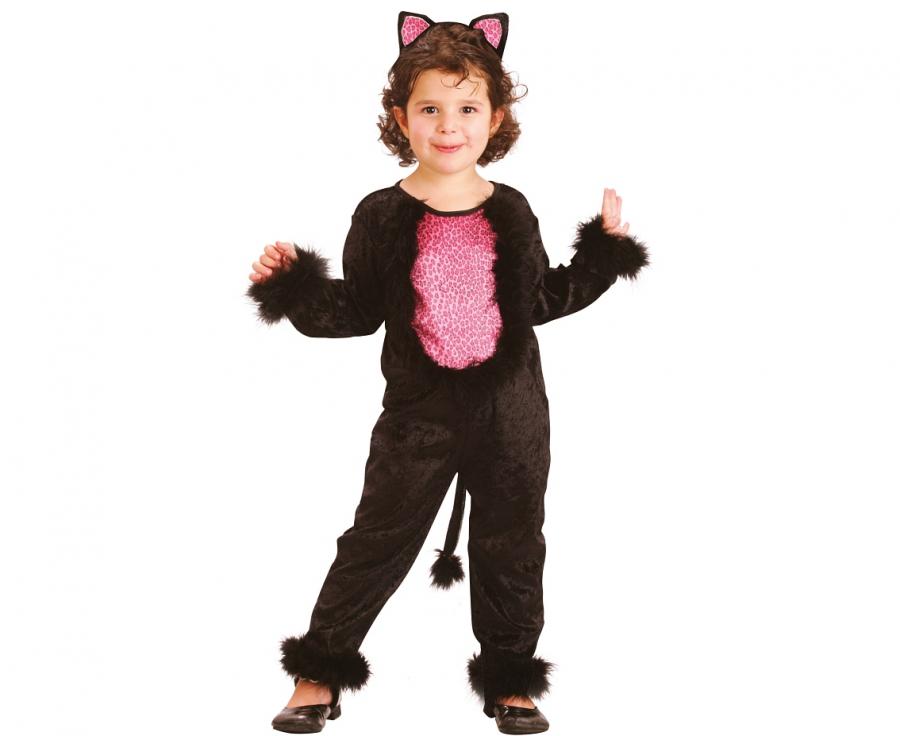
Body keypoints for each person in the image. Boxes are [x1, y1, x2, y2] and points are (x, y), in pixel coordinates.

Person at [246, 11, 650, 734]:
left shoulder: (512, 209)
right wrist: (294, 288)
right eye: (429, 108)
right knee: (376, 537)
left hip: (511, 413)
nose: (448, 125)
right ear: (401, 117)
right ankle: (319, 672)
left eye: (467, 108)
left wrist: (602, 254)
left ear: (495, 119)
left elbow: (538, 300)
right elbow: (358, 309)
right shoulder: (379, 214)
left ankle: (510, 679)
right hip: (419, 415)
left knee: (513, 542)